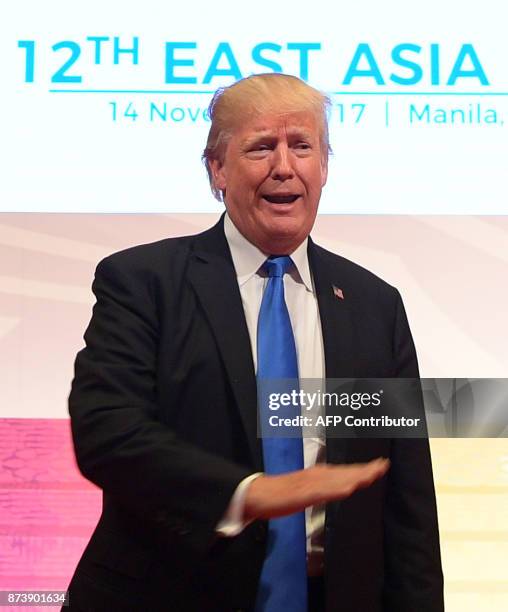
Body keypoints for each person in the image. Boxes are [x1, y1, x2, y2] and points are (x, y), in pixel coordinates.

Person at [66, 73, 444, 611]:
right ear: (217, 169)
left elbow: (408, 505)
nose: (284, 167)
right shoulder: (144, 282)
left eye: (302, 146)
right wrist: (246, 493)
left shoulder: (373, 305)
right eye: (261, 147)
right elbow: (108, 433)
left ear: (325, 167)